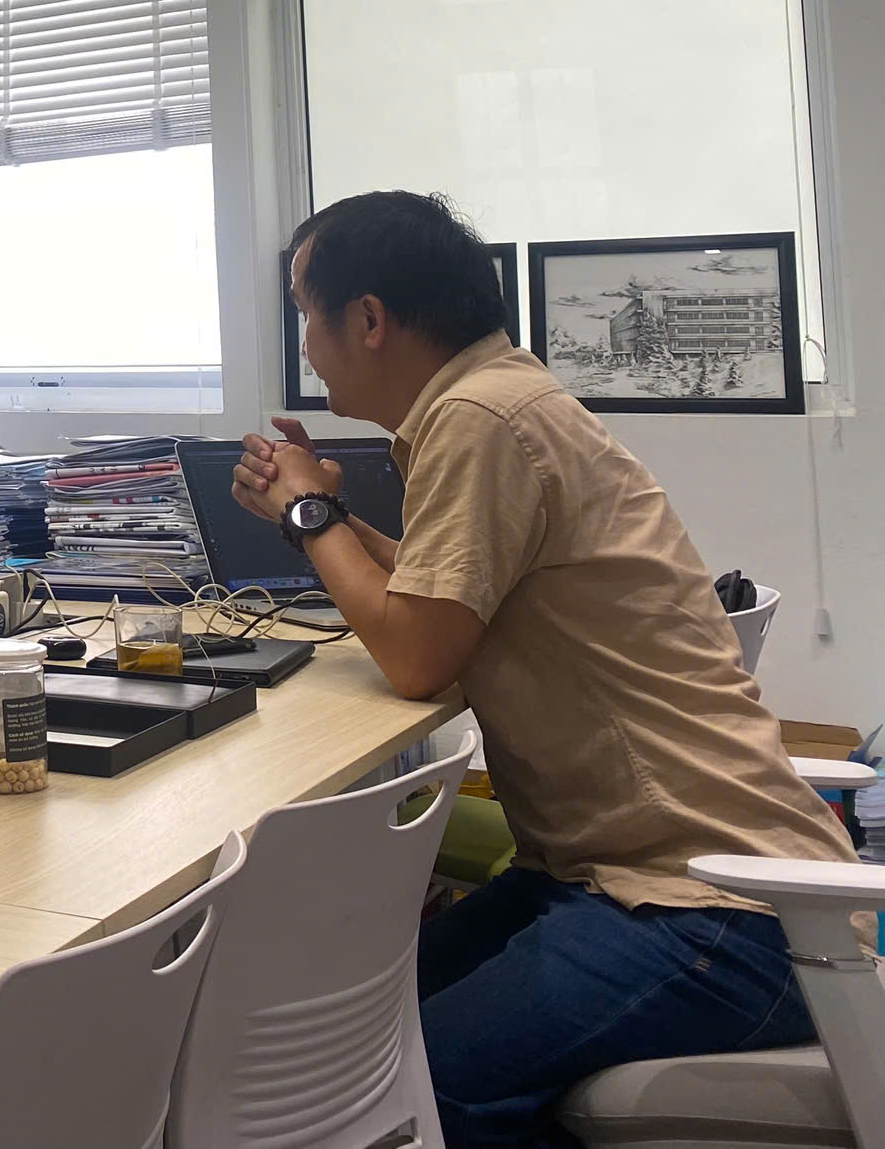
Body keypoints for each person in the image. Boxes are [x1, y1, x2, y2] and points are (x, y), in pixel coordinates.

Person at [232, 190, 855, 1148]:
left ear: (370, 318)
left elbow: (416, 658)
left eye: (307, 315)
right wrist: (323, 514)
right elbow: (442, 598)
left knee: (409, 1083)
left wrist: (309, 516)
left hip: (715, 910)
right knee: (355, 1028)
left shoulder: (481, 419)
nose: (307, 346)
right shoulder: (497, 399)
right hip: (618, 877)